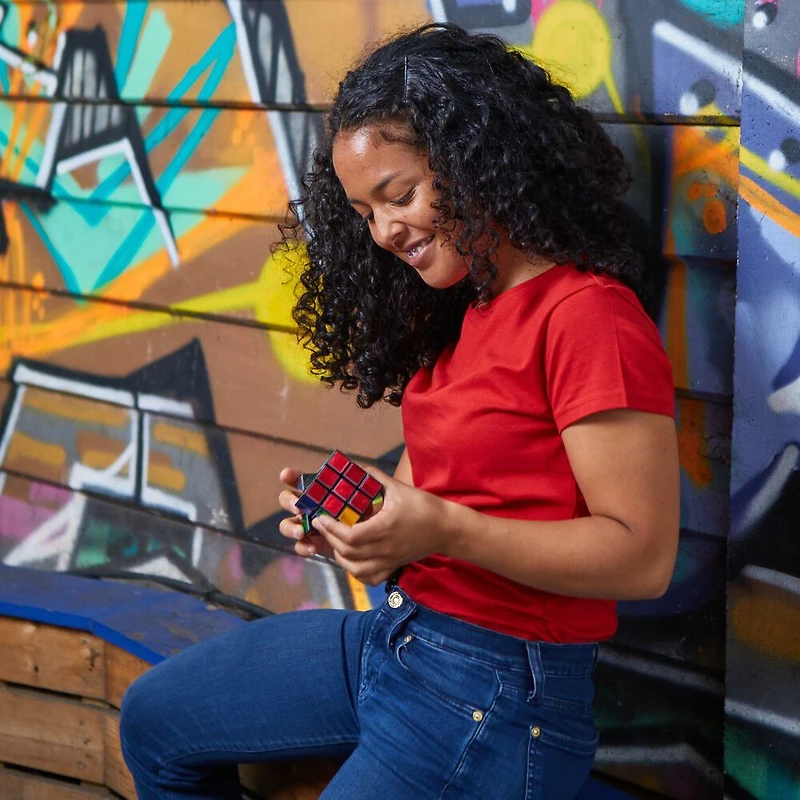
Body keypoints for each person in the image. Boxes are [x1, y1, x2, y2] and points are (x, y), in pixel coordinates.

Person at [120, 23, 679, 799]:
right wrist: (355, 525)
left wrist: (444, 528)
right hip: (397, 636)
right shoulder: (466, 308)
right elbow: (422, 499)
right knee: (156, 719)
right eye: (364, 212)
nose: (384, 232)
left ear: (479, 161)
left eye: (401, 195)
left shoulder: (587, 316)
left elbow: (642, 557)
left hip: (499, 690)